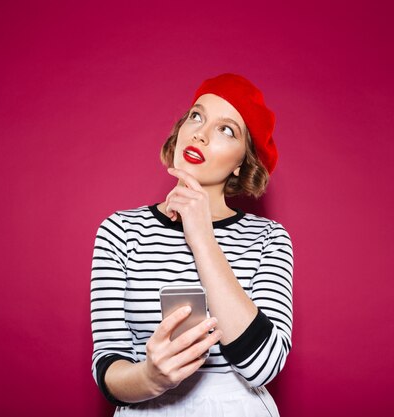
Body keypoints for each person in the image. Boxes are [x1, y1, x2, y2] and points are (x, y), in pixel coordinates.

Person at [91, 73, 293, 416]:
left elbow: (263, 366)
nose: (199, 132)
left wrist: (200, 236)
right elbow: (108, 367)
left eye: (226, 129)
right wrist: (151, 377)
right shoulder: (120, 230)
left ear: (242, 161)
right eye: (196, 116)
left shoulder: (269, 238)